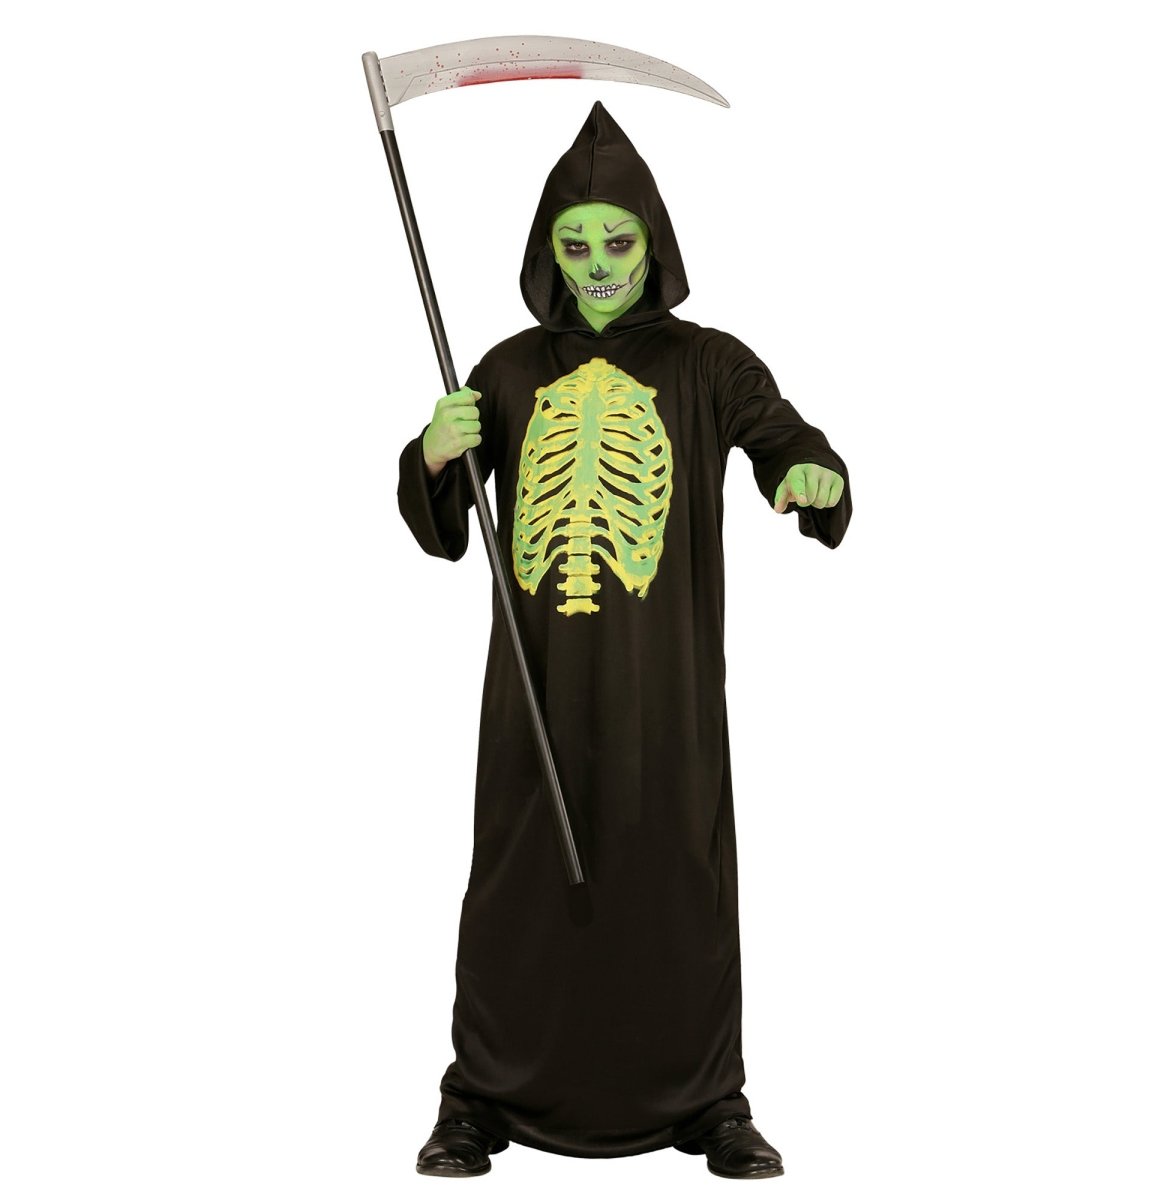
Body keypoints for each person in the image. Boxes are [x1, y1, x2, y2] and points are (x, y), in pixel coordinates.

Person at [396, 101, 851, 1180]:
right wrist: (434, 451)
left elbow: (781, 432)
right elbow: (444, 524)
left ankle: (708, 1099)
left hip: (665, 685)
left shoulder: (708, 364)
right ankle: (479, 1096)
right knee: (516, 880)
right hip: (536, 687)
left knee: (675, 871)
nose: (598, 264)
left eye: (616, 240)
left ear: (654, 243)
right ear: (547, 253)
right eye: (575, 245)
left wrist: (808, 468)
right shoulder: (507, 369)